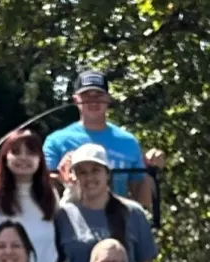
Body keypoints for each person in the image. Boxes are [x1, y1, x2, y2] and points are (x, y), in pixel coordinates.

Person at [43, 69, 163, 207]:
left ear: (108, 99)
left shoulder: (128, 142)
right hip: (70, 222)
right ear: (76, 100)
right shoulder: (56, 141)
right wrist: (62, 177)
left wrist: (150, 168)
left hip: (117, 223)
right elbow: (44, 191)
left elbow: (143, 202)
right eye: (86, 96)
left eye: (99, 95)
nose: (94, 101)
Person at [0, 129, 61, 262]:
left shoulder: (50, 195)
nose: (23, 157)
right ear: (5, 157)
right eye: (16, 152)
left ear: (40, 159)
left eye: (31, 152)